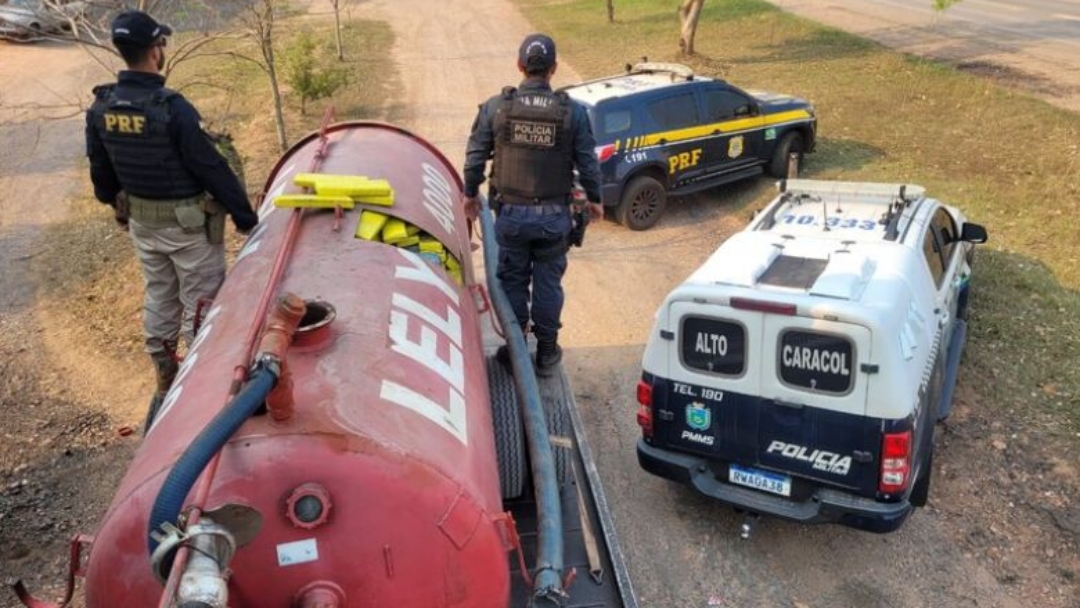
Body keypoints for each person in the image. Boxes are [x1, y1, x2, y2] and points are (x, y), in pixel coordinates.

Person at [85, 10, 259, 407]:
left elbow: (101, 175)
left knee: (160, 296)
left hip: (143, 225)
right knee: (202, 306)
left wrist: (119, 202)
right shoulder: (172, 108)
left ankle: (165, 373)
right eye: (161, 44)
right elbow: (210, 166)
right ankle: (202, 390)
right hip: (189, 230)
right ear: (155, 51)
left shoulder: (102, 107)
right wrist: (245, 217)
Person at [462, 33, 603, 376]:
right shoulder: (573, 113)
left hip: (510, 217)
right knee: (548, 284)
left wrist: (469, 195)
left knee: (512, 281)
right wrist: (596, 202)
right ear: (553, 69)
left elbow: (474, 159)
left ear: (520, 66)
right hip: (554, 218)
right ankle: (547, 353)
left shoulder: (497, 108)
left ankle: (515, 351)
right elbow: (588, 163)